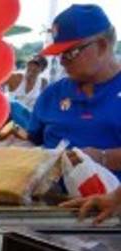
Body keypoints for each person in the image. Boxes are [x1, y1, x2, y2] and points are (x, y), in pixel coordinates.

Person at [23, 4, 121, 174]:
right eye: (59, 54)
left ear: (102, 46)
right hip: (47, 199)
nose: (62, 61)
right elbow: (32, 142)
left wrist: (104, 158)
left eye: (69, 53)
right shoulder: (51, 94)